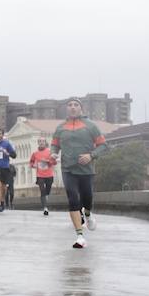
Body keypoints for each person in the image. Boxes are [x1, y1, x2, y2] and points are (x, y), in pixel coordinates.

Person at [52, 97, 109, 248]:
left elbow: (103, 146)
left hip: (86, 170)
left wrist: (91, 155)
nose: (72, 107)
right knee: (73, 200)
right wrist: (53, 153)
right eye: (70, 105)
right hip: (68, 169)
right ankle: (80, 236)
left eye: (75, 105)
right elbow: (55, 145)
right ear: (67, 109)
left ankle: (88, 215)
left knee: (87, 199)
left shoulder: (90, 126)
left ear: (81, 108)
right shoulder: (61, 127)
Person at [29, 137, 57, 215]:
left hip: (49, 174)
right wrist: (33, 165)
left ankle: (46, 198)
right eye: (40, 141)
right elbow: (31, 162)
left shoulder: (49, 152)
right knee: (42, 190)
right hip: (40, 175)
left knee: (47, 191)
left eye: (43, 141)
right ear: (38, 143)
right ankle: (45, 208)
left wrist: (48, 161)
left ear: (45, 143)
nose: (41, 143)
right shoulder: (35, 153)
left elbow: (54, 163)